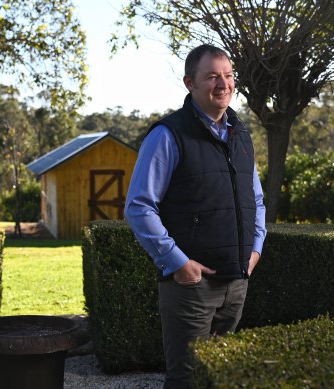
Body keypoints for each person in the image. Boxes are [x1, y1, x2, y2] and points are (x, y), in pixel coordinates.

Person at [124, 44, 267, 388]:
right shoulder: (167, 135)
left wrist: (255, 251)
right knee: (187, 380)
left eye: (228, 75)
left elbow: (257, 201)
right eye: (212, 76)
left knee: (220, 378)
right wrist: (179, 263)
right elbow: (139, 207)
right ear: (190, 83)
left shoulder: (241, 135)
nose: (223, 84)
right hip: (192, 288)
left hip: (236, 282)